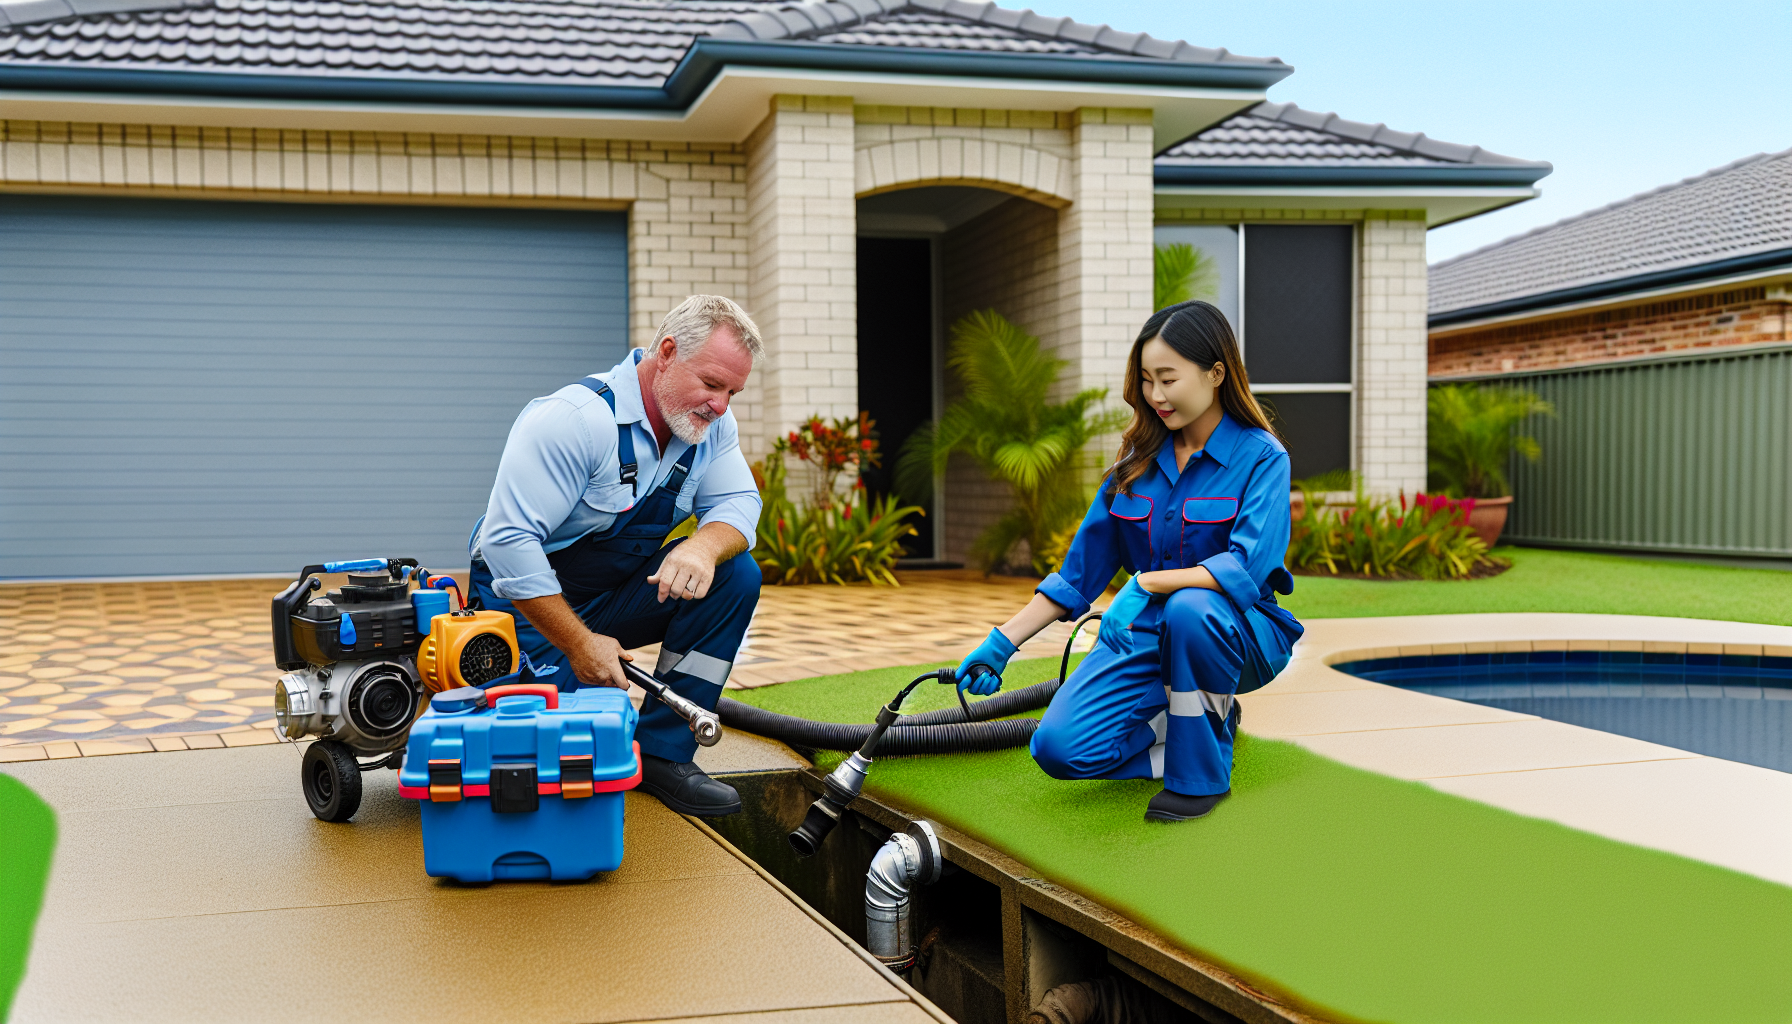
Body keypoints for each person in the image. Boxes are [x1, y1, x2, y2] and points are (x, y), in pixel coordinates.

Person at [952, 300, 1304, 822]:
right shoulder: (1134, 463)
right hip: (1144, 636)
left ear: (1215, 373)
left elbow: (1245, 569)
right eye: (1145, 380)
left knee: (1189, 609)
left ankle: (1199, 779)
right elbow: (1078, 573)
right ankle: (1199, 727)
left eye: (1168, 378)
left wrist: (1145, 585)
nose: (1155, 396)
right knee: (1058, 749)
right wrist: (1000, 644)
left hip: (1238, 633)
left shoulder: (1262, 457)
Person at [468, 294, 764, 817]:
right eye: (713, 385)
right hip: (522, 612)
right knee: (550, 768)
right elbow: (507, 542)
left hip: (609, 597)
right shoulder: (573, 421)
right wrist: (580, 644)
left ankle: (662, 754)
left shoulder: (710, 428)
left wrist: (702, 545)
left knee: (733, 574)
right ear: (667, 352)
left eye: (733, 393)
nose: (720, 405)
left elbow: (740, 502)